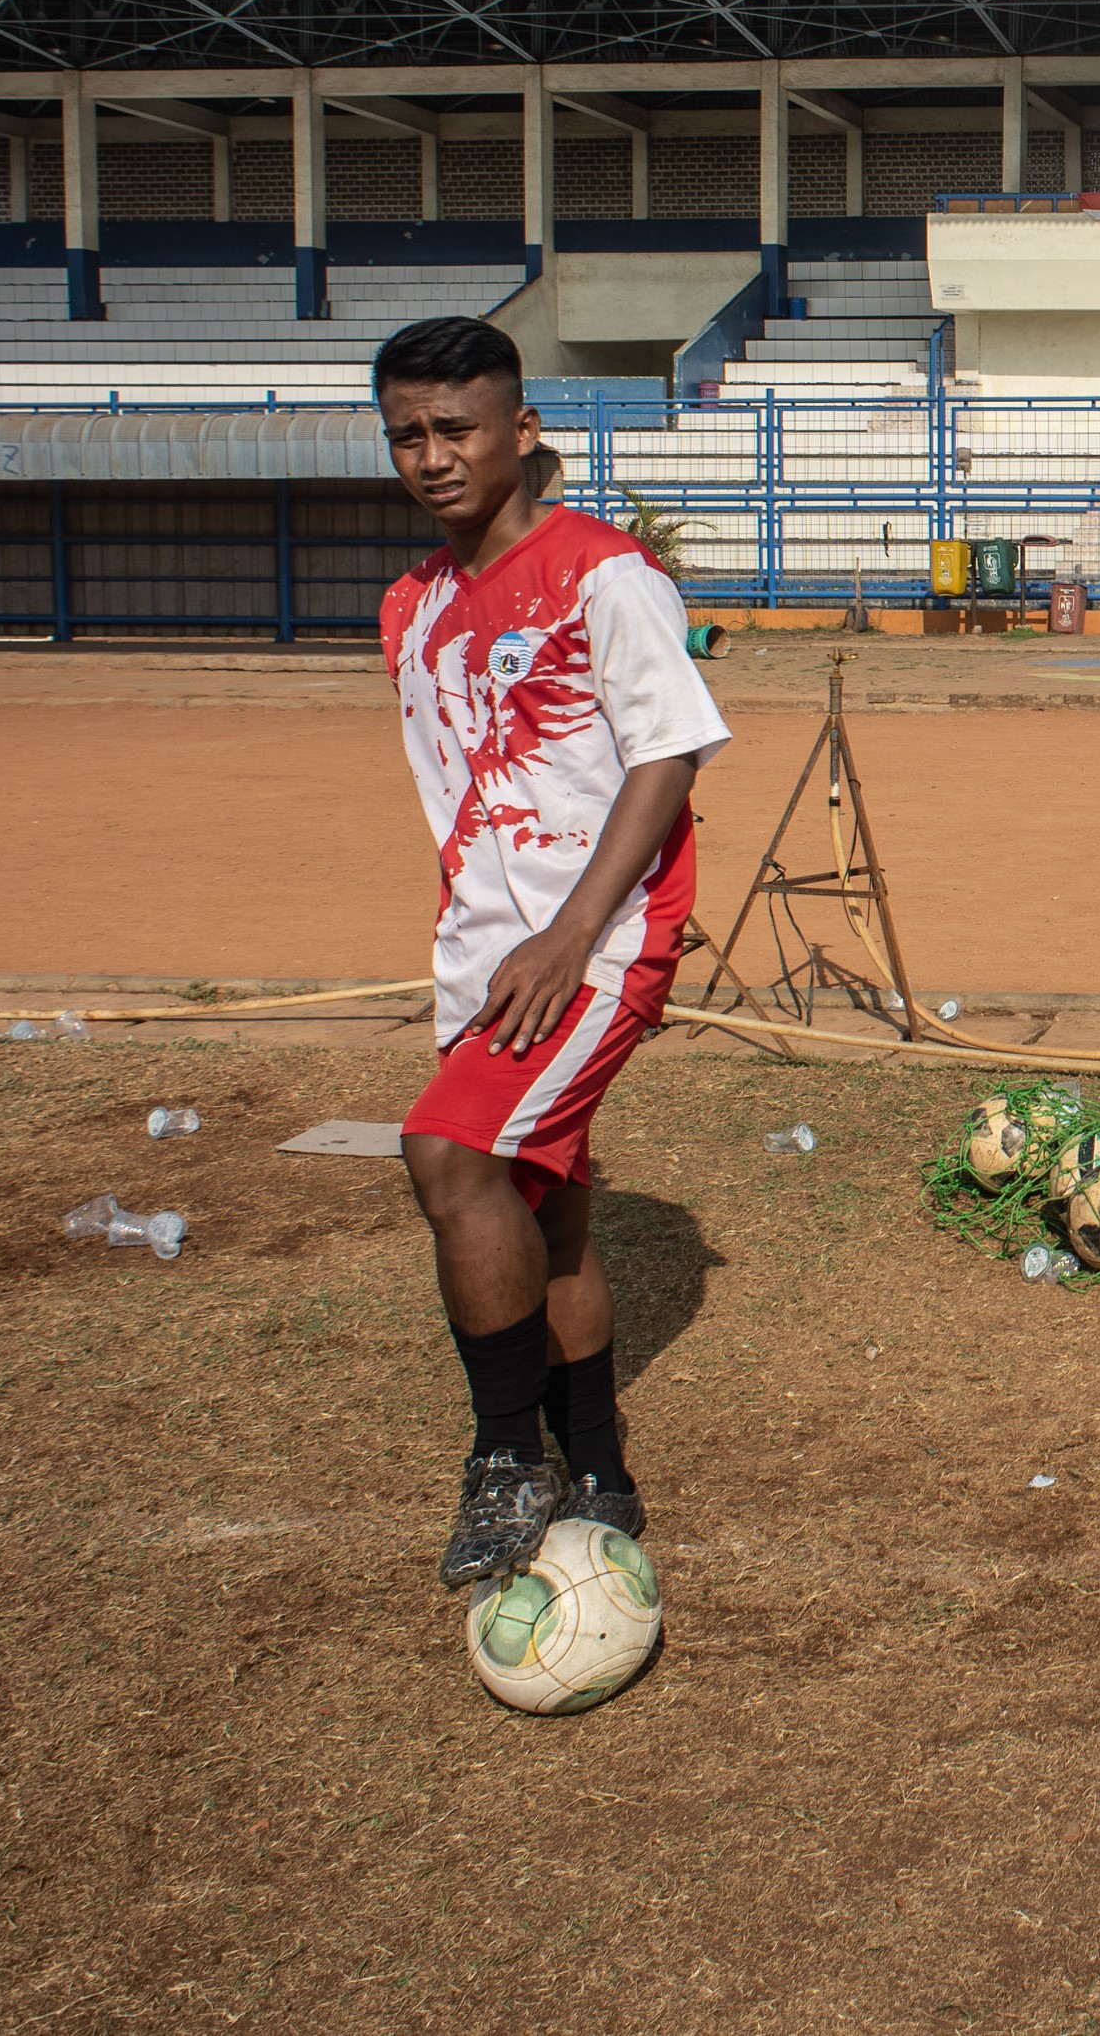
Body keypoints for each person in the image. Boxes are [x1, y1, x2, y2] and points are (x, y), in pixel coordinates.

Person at [372, 316, 731, 1585]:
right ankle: (601, 1473)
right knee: (546, 1211)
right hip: (485, 954)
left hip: (592, 944)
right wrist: (489, 945)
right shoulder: (410, 609)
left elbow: (668, 754)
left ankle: (503, 1457)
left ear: (522, 431)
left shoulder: (606, 575)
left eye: (457, 428)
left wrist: (572, 935)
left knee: (448, 1156)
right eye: (408, 433)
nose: (433, 455)